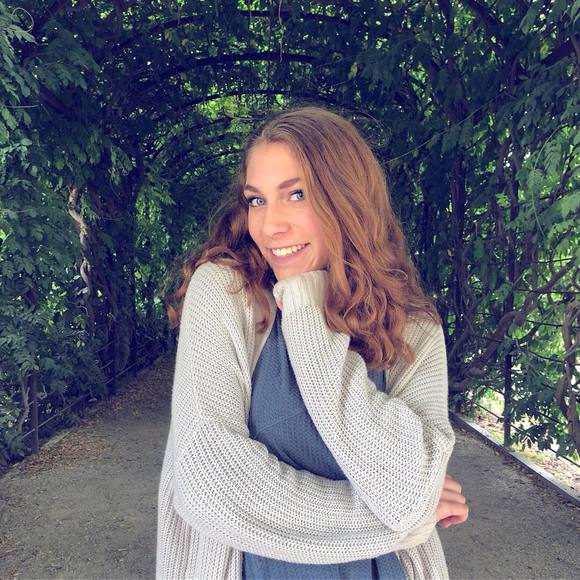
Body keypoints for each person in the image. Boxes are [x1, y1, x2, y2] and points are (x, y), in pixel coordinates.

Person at [156, 105, 468, 580]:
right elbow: (208, 483)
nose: (269, 226)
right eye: (257, 200)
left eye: (296, 195)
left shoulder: (413, 325)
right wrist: (396, 522)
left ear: (348, 199)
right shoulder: (224, 292)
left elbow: (408, 487)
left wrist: (307, 308)